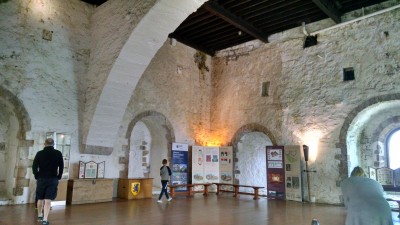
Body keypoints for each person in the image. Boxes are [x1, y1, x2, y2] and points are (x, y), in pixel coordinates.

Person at [32, 138, 64, 225]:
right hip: (53, 179)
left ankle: (39, 215)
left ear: (44, 144)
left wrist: (36, 175)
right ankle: (45, 219)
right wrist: (59, 176)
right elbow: (61, 166)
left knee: (40, 198)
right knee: (48, 200)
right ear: (53, 144)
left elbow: (34, 166)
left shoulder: (40, 153)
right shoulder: (58, 153)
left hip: (41, 178)